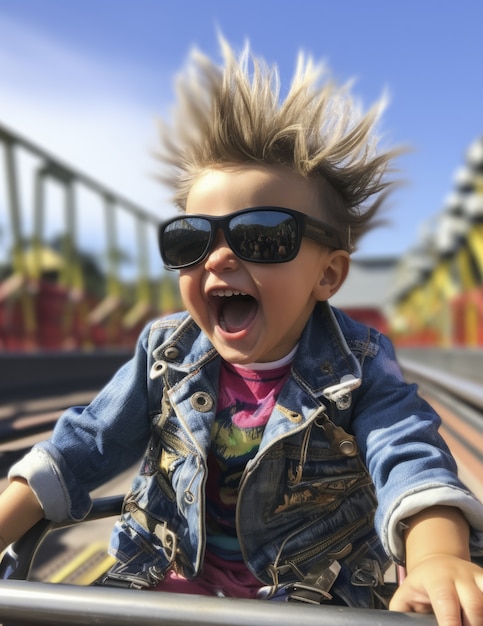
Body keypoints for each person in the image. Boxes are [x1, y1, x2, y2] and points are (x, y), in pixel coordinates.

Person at [1, 37, 482, 625]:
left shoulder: (358, 363)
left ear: (327, 274)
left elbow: (406, 451)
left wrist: (436, 555)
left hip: (307, 600)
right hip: (163, 580)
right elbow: (86, 445)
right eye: (191, 240)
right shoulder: (165, 351)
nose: (218, 259)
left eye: (262, 237)